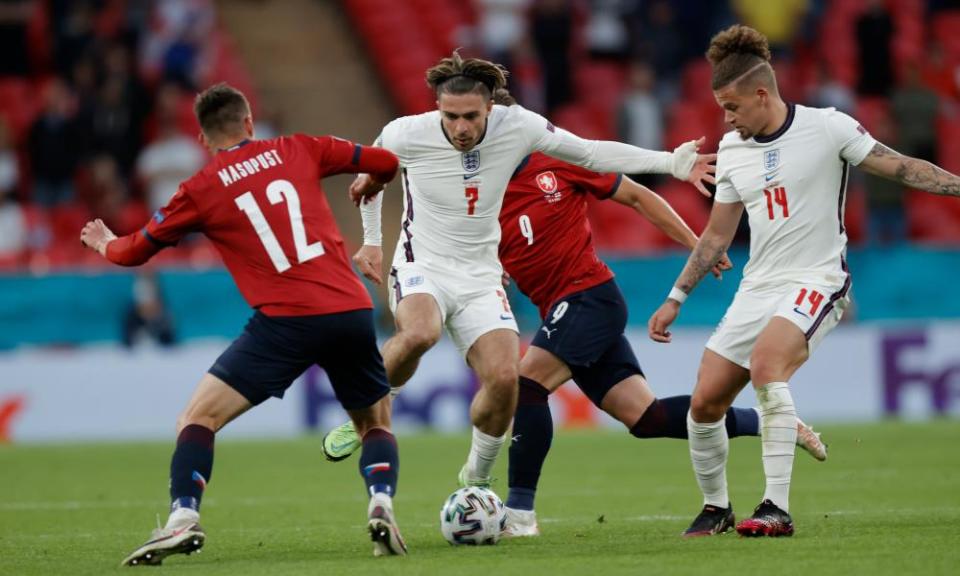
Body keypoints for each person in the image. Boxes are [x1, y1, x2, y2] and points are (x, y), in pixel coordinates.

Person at [320, 51, 716, 493]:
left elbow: (589, 152)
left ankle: (477, 479)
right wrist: (372, 241)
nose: (461, 128)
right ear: (437, 109)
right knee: (420, 333)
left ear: (492, 108)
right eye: (450, 116)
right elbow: (371, 179)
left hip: (481, 274)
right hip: (423, 262)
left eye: (471, 116)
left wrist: (669, 163)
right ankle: (366, 411)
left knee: (508, 379)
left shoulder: (519, 127)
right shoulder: (405, 133)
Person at [648, 25, 960, 538]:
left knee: (769, 366)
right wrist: (676, 297)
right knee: (704, 402)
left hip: (817, 278)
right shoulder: (731, 150)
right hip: (758, 286)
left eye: (732, 106)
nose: (726, 118)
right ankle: (716, 508)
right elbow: (715, 236)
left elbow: (901, 167)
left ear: (761, 94)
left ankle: (776, 508)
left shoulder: (829, 128)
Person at [79, 83, 408, 564]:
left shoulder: (201, 188)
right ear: (250, 122)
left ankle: (183, 518)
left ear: (203, 138)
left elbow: (134, 252)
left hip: (286, 322)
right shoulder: (300, 147)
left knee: (198, 418)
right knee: (374, 423)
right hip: (350, 309)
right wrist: (369, 182)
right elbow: (384, 162)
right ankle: (381, 502)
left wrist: (104, 241)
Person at [495, 89, 825, 537]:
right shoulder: (475, 189)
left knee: (527, 386)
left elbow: (637, 197)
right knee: (645, 419)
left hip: (588, 298)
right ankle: (768, 421)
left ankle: (519, 514)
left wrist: (696, 246)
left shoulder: (558, 158)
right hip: (559, 306)